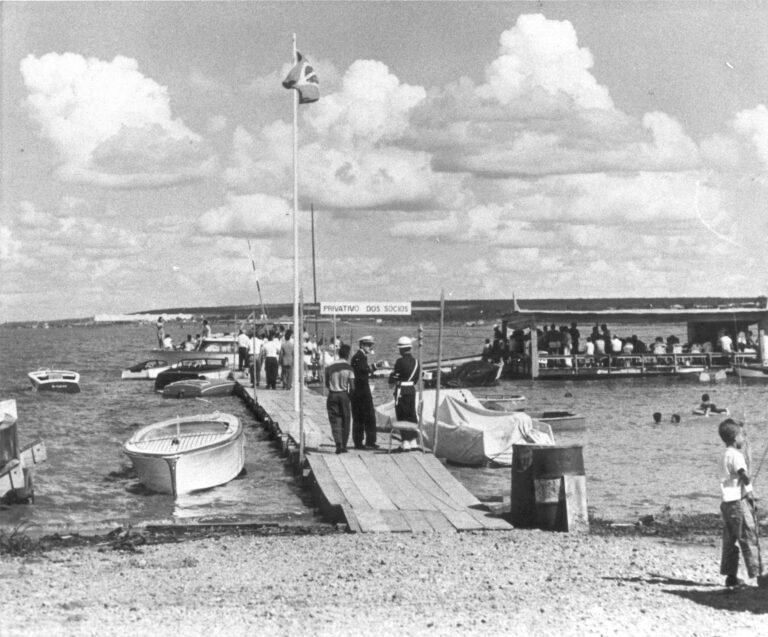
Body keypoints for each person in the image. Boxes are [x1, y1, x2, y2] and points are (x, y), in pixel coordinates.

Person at [718, 418, 760, 588]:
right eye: (743, 436)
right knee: (749, 538)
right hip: (738, 502)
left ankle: (731, 576)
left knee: (730, 540)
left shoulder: (724, 454)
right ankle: (759, 575)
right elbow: (743, 474)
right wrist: (749, 486)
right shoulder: (736, 456)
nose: (744, 439)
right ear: (736, 438)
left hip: (726, 503)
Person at [389, 336, 420, 451]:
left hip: (401, 390)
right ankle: (413, 441)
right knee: (411, 414)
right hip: (412, 389)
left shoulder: (400, 361)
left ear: (401, 349)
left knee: (402, 415)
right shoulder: (416, 362)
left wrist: (391, 378)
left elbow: (394, 379)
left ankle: (405, 441)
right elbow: (416, 379)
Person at [325, 344, 355, 454]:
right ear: (347, 354)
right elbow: (352, 386)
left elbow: (326, 383)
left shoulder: (329, 366)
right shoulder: (349, 367)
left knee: (334, 419)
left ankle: (338, 443)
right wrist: (350, 397)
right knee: (346, 420)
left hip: (332, 394)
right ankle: (344, 445)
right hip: (343, 395)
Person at [350, 336, 378, 449]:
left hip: (361, 392)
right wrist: (375, 367)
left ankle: (367, 441)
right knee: (363, 417)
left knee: (366, 417)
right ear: (362, 345)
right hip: (361, 393)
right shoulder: (359, 357)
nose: (370, 347)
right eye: (368, 345)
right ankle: (361, 442)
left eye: (371, 345)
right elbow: (363, 371)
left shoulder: (361, 357)